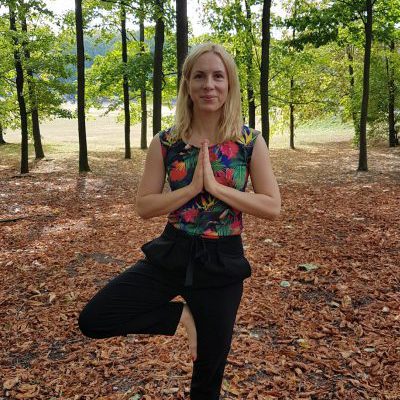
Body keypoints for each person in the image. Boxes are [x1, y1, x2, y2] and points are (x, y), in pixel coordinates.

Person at [78, 42, 281, 399]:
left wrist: (215, 188)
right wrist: (191, 189)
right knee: (95, 318)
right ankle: (182, 316)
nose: (209, 85)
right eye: (199, 76)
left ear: (230, 84)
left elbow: (271, 205)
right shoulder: (166, 142)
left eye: (218, 76)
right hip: (172, 253)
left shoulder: (249, 141)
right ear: (187, 83)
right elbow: (145, 206)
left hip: (222, 263)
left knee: (208, 376)